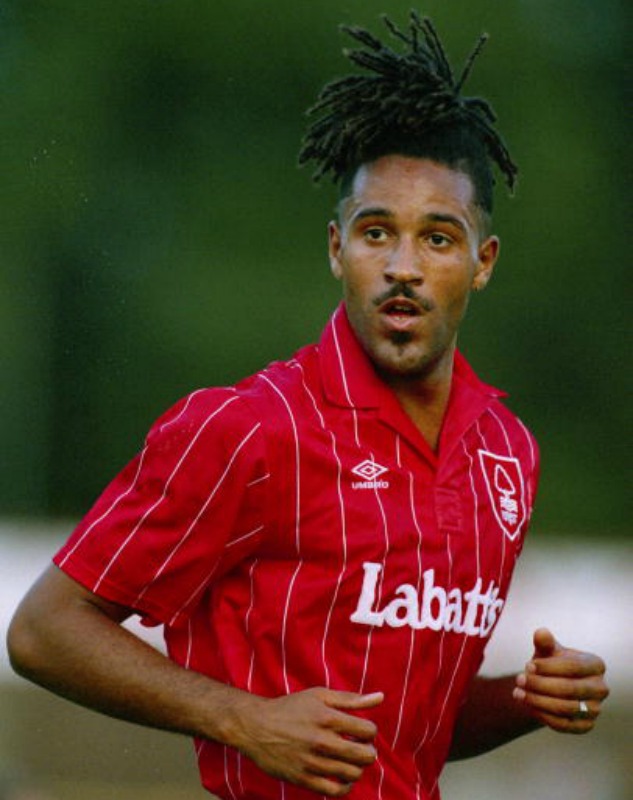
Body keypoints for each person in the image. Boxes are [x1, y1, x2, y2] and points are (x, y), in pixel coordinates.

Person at [7, 11, 608, 800]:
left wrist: (526, 700)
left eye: (436, 238)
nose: (402, 266)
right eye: (374, 233)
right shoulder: (249, 427)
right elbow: (43, 631)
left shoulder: (506, 453)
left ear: (481, 261)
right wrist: (240, 718)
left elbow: (404, 735)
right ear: (336, 249)